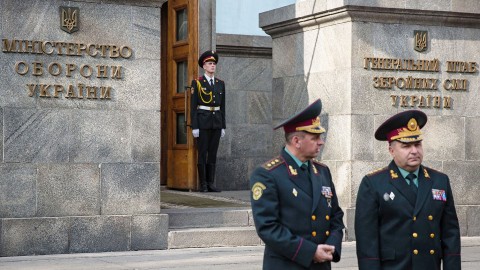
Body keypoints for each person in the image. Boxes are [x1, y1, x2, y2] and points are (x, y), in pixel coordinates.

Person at [355, 110, 461, 270]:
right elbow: (367, 241)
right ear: (391, 150)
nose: (414, 151)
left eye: (417, 144)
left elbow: (450, 234)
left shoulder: (439, 181)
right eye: (406, 146)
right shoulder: (373, 183)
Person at [249, 99, 345, 270]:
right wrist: (310, 252)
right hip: (287, 264)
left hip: (321, 264)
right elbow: (268, 227)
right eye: (315, 137)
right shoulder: (267, 174)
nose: (321, 142)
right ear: (296, 141)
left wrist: (333, 246)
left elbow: (336, 216)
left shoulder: (322, 171)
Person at [190, 50, 225, 192]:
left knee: (213, 154)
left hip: (216, 122)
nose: (212, 66)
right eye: (210, 63)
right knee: (202, 153)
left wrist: (223, 126)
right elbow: (193, 107)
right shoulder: (197, 83)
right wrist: (195, 126)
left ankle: (211, 183)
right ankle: (203, 184)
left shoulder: (220, 83)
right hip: (203, 122)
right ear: (204, 66)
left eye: (214, 64)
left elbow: (223, 107)